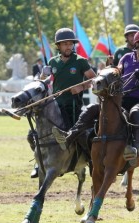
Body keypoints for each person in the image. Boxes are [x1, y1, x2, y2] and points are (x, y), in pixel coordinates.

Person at [52, 29, 139, 163]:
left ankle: (134, 149)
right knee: (92, 108)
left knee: (136, 112)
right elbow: (117, 72)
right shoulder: (126, 58)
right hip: (123, 98)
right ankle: (69, 136)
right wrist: (110, 66)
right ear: (137, 44)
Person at [28, 27, 96, 178]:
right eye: (64, 44)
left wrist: (81, 86)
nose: (68, 47)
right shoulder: (53, 62)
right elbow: (40, 84)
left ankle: (91, 160)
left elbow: (94, 79)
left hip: (73, 107)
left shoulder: (80, 61)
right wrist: (42, 74)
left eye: (70, 43)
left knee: (81, 135)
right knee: (33, 134)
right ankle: (39, 163)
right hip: (54, 107)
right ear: (58, 46)